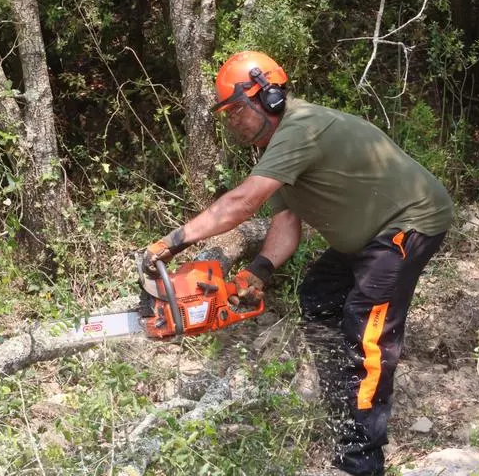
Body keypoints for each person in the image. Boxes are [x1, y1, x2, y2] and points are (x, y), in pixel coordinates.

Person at [141, 51, 454, 476]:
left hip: (408, 225)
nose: (232, 121)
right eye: (226, 115)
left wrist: (174, 241)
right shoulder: (275, 146)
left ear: (268, 96)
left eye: (236, 110)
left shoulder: (300, 127)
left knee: (368, 333)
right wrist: (260, 270)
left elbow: (242, 203)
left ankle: (360, 462)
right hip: (367, 234)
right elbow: (286, 221)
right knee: (318, 296)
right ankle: (345, 410)